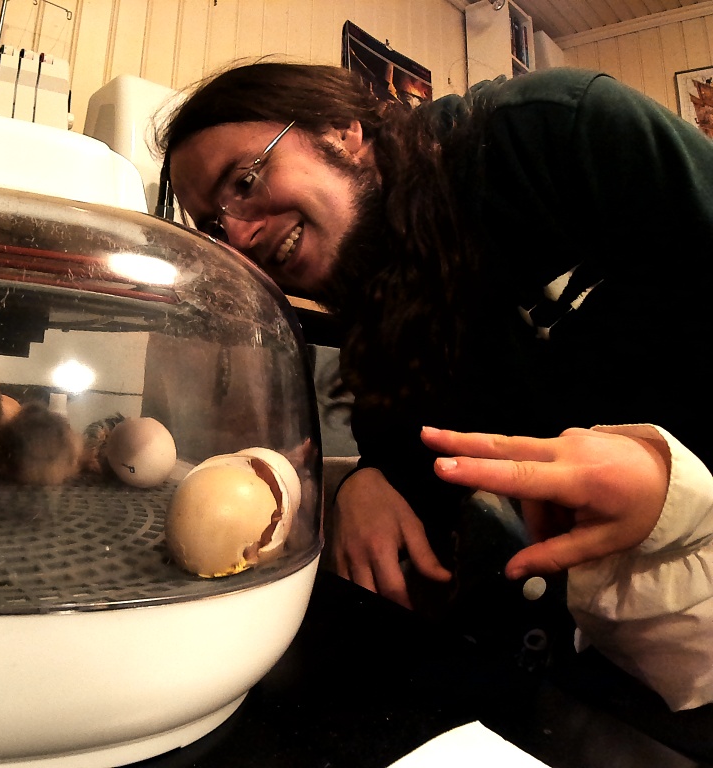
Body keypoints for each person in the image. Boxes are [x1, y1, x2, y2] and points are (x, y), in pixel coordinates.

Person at [156, 61, 713, 712]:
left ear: (342, 131)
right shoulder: (373, 289)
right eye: (215, 226)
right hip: (608, 647)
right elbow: (409, 444)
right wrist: (371, 478)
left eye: (245, 181)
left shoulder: (551, 132)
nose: (240, 235)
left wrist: (672, 487)